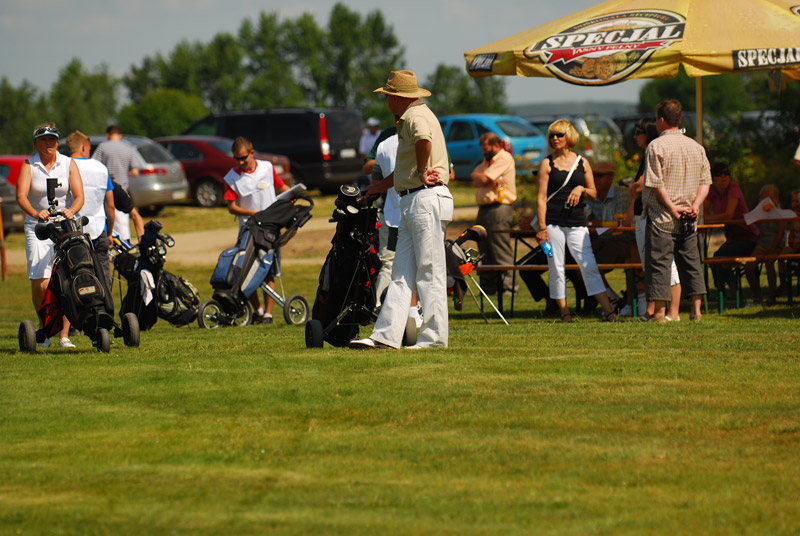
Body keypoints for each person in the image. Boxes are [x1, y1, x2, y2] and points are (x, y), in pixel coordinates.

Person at [350, 69, 453, 349]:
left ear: (396, 98)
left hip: (424, 198)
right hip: (414, 198)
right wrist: (378, 187)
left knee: (428, 271)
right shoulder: (414, 115)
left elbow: (423, 141)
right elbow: (404, 170)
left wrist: (421, 170)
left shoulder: (415, 117)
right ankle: (386, 336)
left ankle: (433, 339)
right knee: (401, 272)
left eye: (386, 95)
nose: (385, 100)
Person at [535, 119, 618, 323]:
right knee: (556, 266)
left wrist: (580, 189)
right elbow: (541, 198)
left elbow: (593, 192)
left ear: (569, 137)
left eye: (559, 135)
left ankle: (609, 312)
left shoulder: (582, 162)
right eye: (552, 135)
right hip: (553, 222)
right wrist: (542, 228)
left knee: (588, 265)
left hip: (577, 222)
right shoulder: (547, 163)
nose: (555, 138)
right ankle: (565, 313)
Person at [15, 123, 85, 348]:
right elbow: (21, 196)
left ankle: (64, 335)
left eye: (53, 139)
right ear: (36, 143)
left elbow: (79, 196)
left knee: (66, 278)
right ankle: (46, 329)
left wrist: (71, 211)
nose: (49, 143)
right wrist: (36, 212)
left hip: (63, 227)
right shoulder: (29, 164)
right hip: (37, 227)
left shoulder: (68, 163)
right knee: (41, 281)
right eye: (44, 139)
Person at [643, 99, 711, 322]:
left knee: (659, 264)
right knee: (691, 262)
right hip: (689, 216)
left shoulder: (655, 146)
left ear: (661, 120)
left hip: (662, 216)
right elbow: (705, 182)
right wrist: (696, 205)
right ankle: (696, 311)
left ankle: (660, 313)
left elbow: (656, 183)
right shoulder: (696, 146)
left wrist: (672, 207)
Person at [224, 136, 290, 324]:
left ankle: (268, 314)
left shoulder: (267, 168)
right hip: (247, 228)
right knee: (245, 270)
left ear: (252, 153)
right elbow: (231, 206)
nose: (241, 162)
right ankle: (258, 311)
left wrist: (293, 195)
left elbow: (281, 186)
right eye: (237, 159)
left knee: (268, 270)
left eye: (243, 158)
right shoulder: (232, 177)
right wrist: (253, 213)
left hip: (270, 228)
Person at [627, 117, 682, 321]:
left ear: (648, 132)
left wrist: (632, 189)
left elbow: (638, 187)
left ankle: (673, 312)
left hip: (653, 215)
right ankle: (653, 310)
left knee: (666, 263)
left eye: (638, 131)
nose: (635, 136)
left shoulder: (652, 152)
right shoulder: (649, 153)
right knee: (651, 264)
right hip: (646, 214)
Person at [67, 131, 115, 293]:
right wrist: (110, 232)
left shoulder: (64, 166)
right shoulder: (100, 168)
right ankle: (106, 311)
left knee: (76, 276)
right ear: (84, 147)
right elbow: (110, 206)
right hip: (98, 227)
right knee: (103, 275)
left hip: (72, 231)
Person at [471, 132, 518, 296]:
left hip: (499, 208)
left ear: (496, 145)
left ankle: (509, 288)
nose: (483, 152)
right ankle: (489, 287)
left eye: (486, 148)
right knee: (485, 249)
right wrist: (484, 178)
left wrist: (484, 178)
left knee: (500, 249)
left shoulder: (504, 158)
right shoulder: (488, 160)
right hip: (484, 209)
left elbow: (483, 179)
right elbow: (475, 177)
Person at [703, 162, 759, 295]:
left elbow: (728, 215)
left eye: (726, 173)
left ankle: (733, 292)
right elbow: (701, 211)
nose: (723, 177)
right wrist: (706, 217)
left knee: (718, 258)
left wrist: (708, 218)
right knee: (714, 259)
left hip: (748, 237)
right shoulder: (712, 191)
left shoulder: (734, 188)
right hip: (732, 239)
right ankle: (727, 291)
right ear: (713, 178)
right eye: (719, 174)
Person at [585, 160, 633, 308]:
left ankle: (614, 301)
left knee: (589, 266)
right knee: (580, 265)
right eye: (593, 176)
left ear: (611, 177)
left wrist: (595, 223)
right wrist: (602, 224)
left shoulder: (621, 193)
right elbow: (585, 220)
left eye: (600, 176)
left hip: (621, 241)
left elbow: (619, 223)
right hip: (599, 240)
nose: (595, 179)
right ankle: (612, 299)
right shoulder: (591, 194)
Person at [92, 125, 139, 242]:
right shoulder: (128, 148)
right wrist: (123, 171)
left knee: (107, 223)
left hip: (106, 189)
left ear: (107, 135)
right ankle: (125, 248)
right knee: (123, 226)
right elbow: (135, 172)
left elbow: (94, 165)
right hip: (122, 190)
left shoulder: (103, 147)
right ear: (120, 135)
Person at [744, 185, 786, 305]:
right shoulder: (759, 212)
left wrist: (773, 249)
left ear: (776, 199)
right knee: (749, 267)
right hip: (762, 244)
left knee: (769, 263)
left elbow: (780, 235)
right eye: (764, 198)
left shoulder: (780, 213)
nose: (767, 201)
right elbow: (749, 222)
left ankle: (772, 296)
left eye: (770, 198)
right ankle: (758, 297)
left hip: (778, 245)